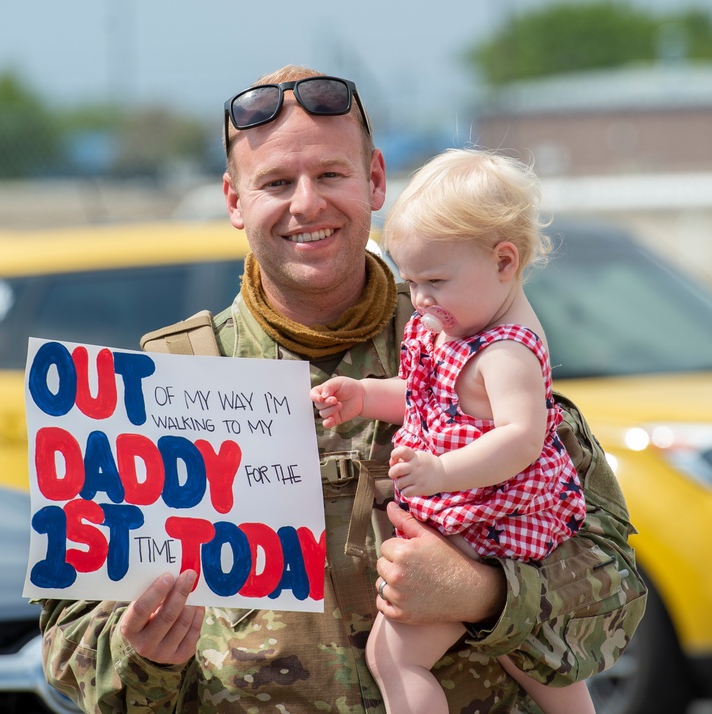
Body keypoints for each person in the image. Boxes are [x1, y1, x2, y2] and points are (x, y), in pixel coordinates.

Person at [37, 65, 646, 714]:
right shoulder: (164, 392)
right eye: (275, 182)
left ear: (376, 179)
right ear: (234, 201)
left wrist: (482, 594)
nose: (306, 204)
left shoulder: (468, 354)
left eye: (331, 174)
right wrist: (142, 654)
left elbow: (615, 595)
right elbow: (71, 645)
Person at [310, 148, 594, 714]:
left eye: (435, 280)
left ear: (504, 262)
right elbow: (424, 398)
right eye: (411, 281)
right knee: (527, 649)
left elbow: (521, 438)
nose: (419, 301)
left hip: (498, 517)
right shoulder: (458, 324)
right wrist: (366, 395)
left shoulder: (505, 350)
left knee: (394, 656)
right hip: (482, 513)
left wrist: (441, 471)